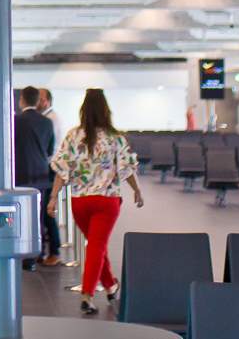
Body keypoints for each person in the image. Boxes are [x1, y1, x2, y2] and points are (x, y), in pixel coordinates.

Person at [49, 89, 143, 316]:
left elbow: (62, 170)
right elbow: (126, 169)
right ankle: (87, 295)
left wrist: (53, 197)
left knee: (95, 245)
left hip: (79, 202)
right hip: (107, 201)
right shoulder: (115, 137)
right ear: (106, 110)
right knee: (96, 246)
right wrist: (137, 190)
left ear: (83, 110)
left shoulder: (73, 136)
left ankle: (110, 285)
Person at [15, 86, 58, 270]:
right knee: (38, 216)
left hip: (20, 175)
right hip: (41, 175)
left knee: (21, 216)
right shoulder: (47, 122)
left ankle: (24, 254)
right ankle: (36, 254)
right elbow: (49, 150)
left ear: (22, 100)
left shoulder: (15, 121)